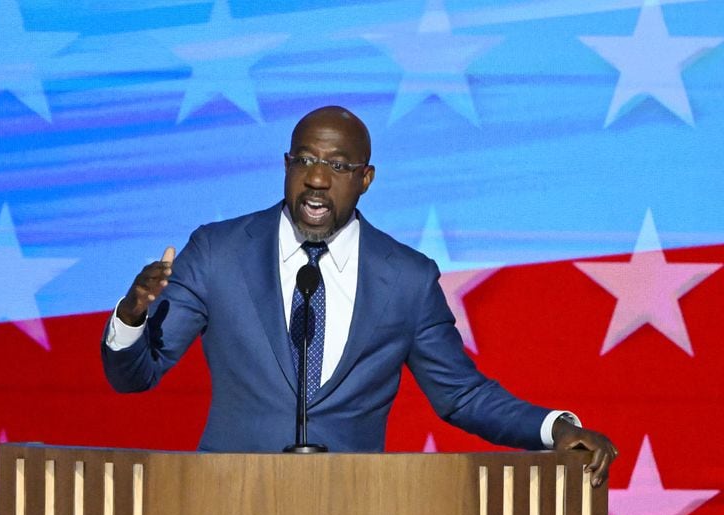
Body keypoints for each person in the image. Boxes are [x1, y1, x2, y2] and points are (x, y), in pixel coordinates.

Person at [101, 105, 617, 486]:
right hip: (227, 502)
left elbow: (461, 394)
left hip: (355, 511)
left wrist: (555, 428)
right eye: (304, 159)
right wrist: (131, 316)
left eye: (339, 166)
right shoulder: (218, 251)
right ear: (285, 166)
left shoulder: (408, 279)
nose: (318, 178)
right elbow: (138, 374)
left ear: (366, 178)